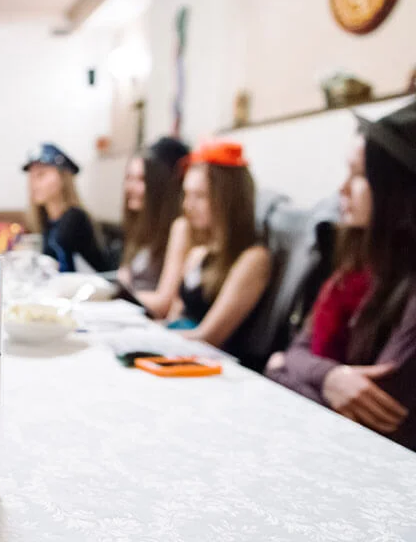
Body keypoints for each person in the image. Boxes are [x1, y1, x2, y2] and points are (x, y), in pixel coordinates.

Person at [267, 104, 416, 450]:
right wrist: (329, 375)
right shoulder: (362, 263)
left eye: (359, 175)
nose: (342, 190)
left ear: (398, 190)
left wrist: (280, 370)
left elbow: (376, 416)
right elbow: (299, 348)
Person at [167, 141, 272, 367]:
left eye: (200, 196)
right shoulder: (198, 253)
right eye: (187, 194)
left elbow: (209, 337)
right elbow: (173, 316)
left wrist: (155, 339)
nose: (188, 205)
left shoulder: (253, 258)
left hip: (213, 366)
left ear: (229, 199)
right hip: (178, 355)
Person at [118, 137, 192, 317]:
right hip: (130, 314)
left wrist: (118, 295)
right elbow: (123, 278)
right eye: (129, 178)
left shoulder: (179, 227)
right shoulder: (140, 222)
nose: (130, 187)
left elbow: (163, 303)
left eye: (141, 180)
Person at [24, 143, 112, 273]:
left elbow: (59, 268)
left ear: (62, 178)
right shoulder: (46, 220)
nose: (33, 183)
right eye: (31, 177)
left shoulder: (74, 217)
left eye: (41, 175)